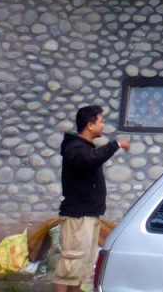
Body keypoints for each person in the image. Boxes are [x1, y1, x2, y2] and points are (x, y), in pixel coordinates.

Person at [53, 105, 130, 292]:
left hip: (89, 216)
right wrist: (116, 144)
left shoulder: (85, 147)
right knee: (68, 268)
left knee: (80, 269)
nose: (103, 125)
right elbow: (90, 159)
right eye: (101, 121)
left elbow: (92, 157)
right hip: (78, 217)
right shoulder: (75, 148)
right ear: (89, 125)